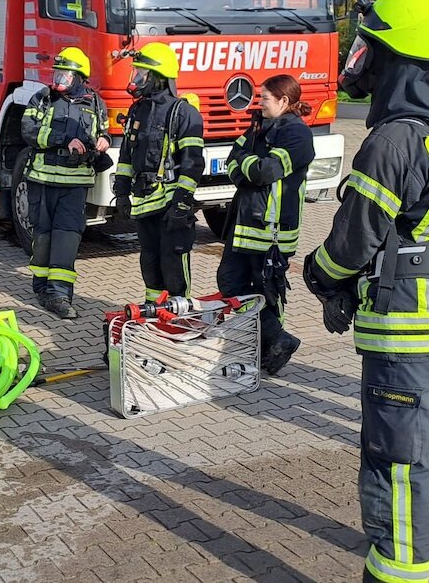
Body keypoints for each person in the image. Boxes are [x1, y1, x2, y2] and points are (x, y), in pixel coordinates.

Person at [302, 0, 429, 583]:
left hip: (402, 329)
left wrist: (319, 274)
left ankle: (398, 573)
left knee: (394, 463)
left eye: (368, 45)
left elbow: (354, 239)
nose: (360, 57)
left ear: (396, 55)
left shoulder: (395, 138)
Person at [217, 74, 315, 375]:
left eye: (265, 98)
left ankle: (274, 344)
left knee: (267, 290)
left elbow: (264, 171)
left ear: (284, 101)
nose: (259, 103)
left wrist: (245, 164)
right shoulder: (260, 126)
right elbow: (231, 160)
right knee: (230, 282)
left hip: (271, 231)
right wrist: (246, 164)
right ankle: (272, 339)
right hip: (246, 225)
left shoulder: (297, 134)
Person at [20, 47, 111, 318]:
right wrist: (62, 139)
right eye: (57, 73)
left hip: (75, 184)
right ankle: (40, 285)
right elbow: (28, 131)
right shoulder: (42, 99)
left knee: (67, 238)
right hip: (42, 180)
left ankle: (59, 293)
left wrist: (103, 140)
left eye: (66, 74)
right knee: (43, 235)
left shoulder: (95, 103)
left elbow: (103, 130)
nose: (59, 79)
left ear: (80, 78)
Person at [113, 42, 204, 301]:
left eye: (141, 74)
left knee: (172, 262)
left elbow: (193, 162)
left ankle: (178, 314)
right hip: (144, 202)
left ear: (159, 78)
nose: (136, 79)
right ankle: (154, 313)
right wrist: (121, 193)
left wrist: (183, 203)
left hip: (171, 206)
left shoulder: (184, 113)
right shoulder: (138, 110)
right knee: (150, 262)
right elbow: (126, 157)